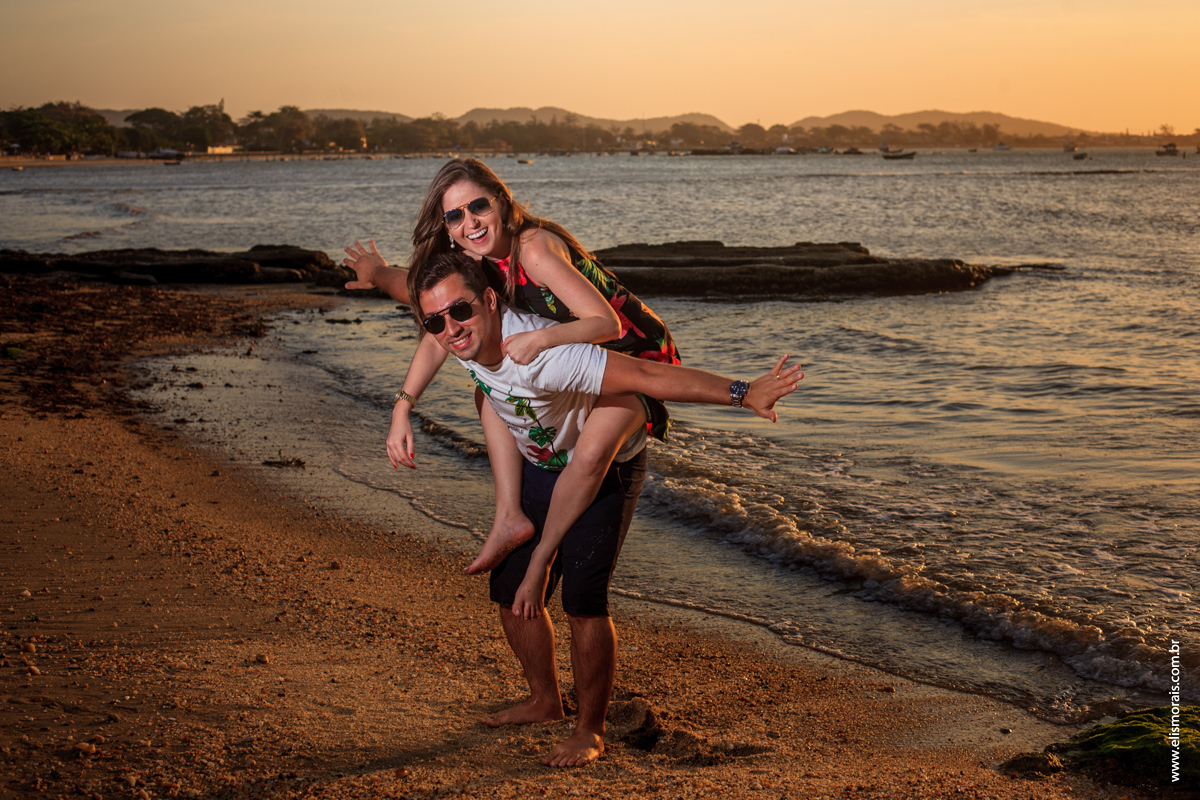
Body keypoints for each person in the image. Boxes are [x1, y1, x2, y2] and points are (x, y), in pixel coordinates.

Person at [409, 251, 802, 767]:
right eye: (435, 320)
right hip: (545, 464)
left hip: (606, 468)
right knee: (510, 592)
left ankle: (590, 730)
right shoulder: (454, 334)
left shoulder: (543, 354)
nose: (450, 328)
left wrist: (743, 392)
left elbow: (647, 377)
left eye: (459, 312)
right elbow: (408, 293)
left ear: (488, 300)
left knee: (583, 601)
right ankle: (544, 700)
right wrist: (401, 399)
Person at [343, 158, 679, 576]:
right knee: (488, 387)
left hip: (632, 354)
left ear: (501, 203)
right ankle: (509, 516)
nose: (471, 222)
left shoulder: (533, 249)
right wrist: (376, 273)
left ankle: (544, 557)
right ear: (446, 227)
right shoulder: (475, 259)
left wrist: (539, 340)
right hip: (576, 357)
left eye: (478, 207)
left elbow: (606, 324)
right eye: (455, 216)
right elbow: (419, 300)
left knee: (588, 453)